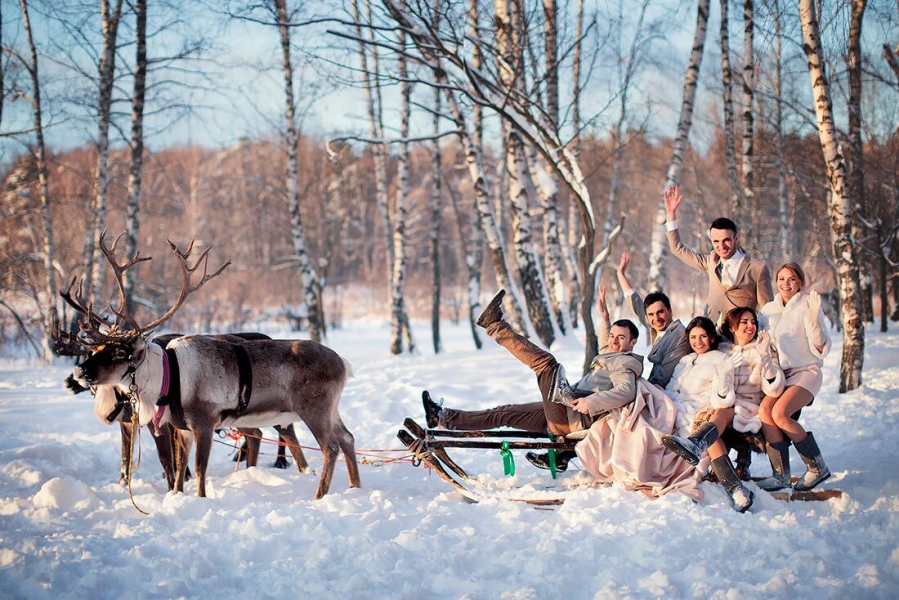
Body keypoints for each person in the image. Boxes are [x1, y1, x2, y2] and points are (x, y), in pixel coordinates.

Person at [423, 288, 643, 473]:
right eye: (613, 335)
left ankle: (494, 325)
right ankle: (444, 417)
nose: (614, 341)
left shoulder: (625, 364)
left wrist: (592, 403)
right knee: (505, 412)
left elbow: (626, 391)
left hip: (572, 419)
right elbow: (606, 343)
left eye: (620, 338)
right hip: (563, 412)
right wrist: (604, 316)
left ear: (632, 343)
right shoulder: (613, 354)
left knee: (547, 364)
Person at [660, 317, 754, 512]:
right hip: (677, 410)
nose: (698, 341)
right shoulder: (685, 361)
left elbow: (723, 399)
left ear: (711, 337)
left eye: (703, 336)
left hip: (703, 409)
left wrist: (724, 373)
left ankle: (736, 488)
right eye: (693, 337)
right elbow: (671, 389)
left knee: (706, 429)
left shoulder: (721, 359)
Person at [756, 263, 832, 492]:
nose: (786, 284)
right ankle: (780, 475)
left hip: (807, 371)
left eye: (791, 279)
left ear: (799, 281)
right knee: (765, 412)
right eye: (781, 279)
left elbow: (821, 347)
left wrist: (814, 320)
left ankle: (817, 467)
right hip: (782, 374)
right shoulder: (768, 310)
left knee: (780, 413)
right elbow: (763, 343)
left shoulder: (809, 304)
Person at [663, 185, 773, 323]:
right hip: (711, 333)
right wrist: (671, 214)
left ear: (736, 239)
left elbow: (767, 310)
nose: (721, 246)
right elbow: (677, 248)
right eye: (716, 241)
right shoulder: (711, 261)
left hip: (740, 337)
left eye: (726, 240)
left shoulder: (757, 268)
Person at [717, 307, 785, 479]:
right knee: (715, 414)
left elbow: (774, 388)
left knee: (724, 415)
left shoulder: (763, 348)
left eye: (753, 322)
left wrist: (764, 356)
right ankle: (719, 469)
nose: (750, 326)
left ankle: (777, 473)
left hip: (754, 407)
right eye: (744, 322)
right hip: (730, 405)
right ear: (732, 327)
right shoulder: (722, 351)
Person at [616, 251, 691, 389]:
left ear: (670, 311)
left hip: (670, 391)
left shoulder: (679, 335)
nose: (656, 318)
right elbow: (636, 303)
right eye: (651, 314)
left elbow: (664, 375)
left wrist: (639, 390)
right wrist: (621, 274)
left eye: (660, 312)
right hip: (654, 386)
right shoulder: (658, 326)